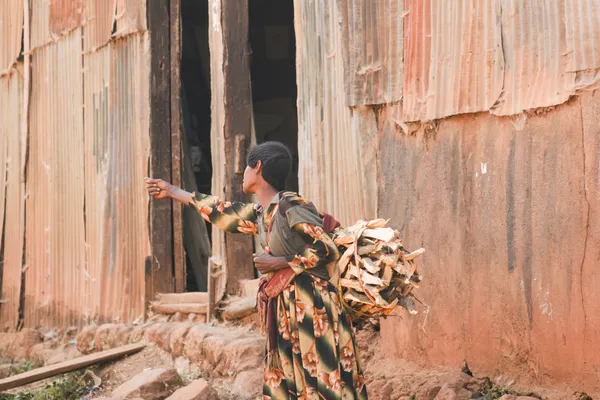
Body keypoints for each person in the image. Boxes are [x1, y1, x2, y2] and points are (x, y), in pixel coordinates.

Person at [146, 141, 368, 400]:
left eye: (246, 167)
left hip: (314, 308)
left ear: (258, 167)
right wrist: (172, 191)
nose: (243, 173)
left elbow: (327, 248)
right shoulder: (264, 212)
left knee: (324, 381)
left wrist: (279, 262)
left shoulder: (290, 204)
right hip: (288, 311)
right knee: (294, 383)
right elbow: (222, 211)